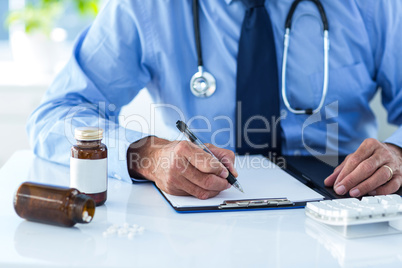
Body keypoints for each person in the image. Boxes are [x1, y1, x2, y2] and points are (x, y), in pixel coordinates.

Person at [27, 0, 402, 200]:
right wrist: (145, 153)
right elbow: (55, 115)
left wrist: (398, 154)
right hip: (208, 210)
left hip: (346, 204)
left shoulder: (374, 5)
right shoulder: (144, 7)